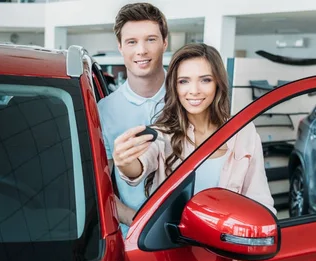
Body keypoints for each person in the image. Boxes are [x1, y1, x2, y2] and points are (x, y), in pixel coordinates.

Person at [113, 43, 276, 214]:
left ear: (218, 83)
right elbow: (137, 168)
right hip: (173, 240)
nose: (194, 91)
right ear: (174, 87)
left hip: (229, 239)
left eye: (205, 80)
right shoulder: (163, 134)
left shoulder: (243, 131)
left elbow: (260, 200)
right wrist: (124, 162)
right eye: (184, 81)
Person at [97, 2, 169, 238]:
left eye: (150, 39)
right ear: (120, 47)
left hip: (193, 234)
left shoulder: (189, 99)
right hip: (134, 238)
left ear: (165, 42)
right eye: (131, 42)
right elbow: (101, 186)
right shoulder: (105, 110)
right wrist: (136, 220)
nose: (141, 50)